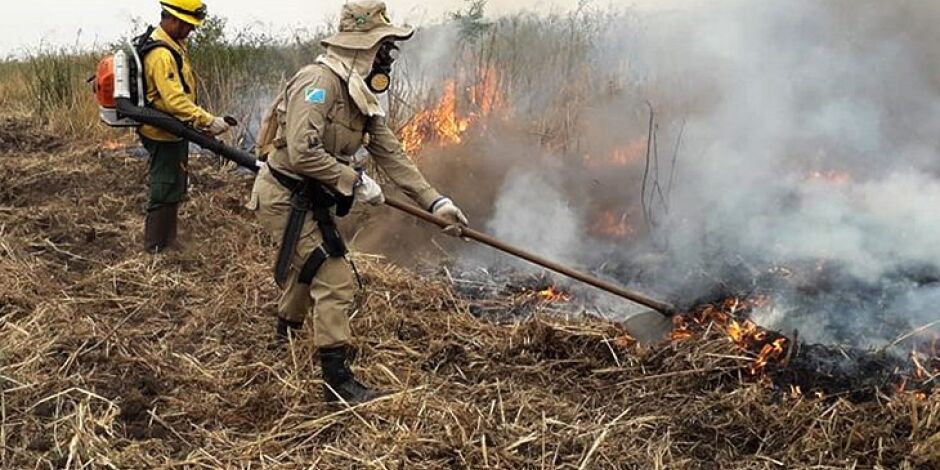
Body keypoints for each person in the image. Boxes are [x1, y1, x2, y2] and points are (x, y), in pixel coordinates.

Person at [249, 0, 468, 404]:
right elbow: (301, 152)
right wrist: (353, 180)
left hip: (312, 198)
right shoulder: (319, 82)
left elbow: (392, 154)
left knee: (313, 261)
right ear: (361, 46)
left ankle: (284, 334)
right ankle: (337, 383)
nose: (389, 55)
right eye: (384, 46)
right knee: (333, 275)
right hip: (281, 198)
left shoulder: (359, 92)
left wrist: (436, 202)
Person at [139, 0, 231, 252]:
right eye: (188, 25)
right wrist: (207, 120)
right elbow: (174, 100)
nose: (191, 31)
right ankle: (155, 246)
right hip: (162, 131)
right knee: (165, 184)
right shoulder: (161, 55)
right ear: (174, 20)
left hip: (174, 129)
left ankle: (168, 240)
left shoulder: (173, 45)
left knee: (175, 182)